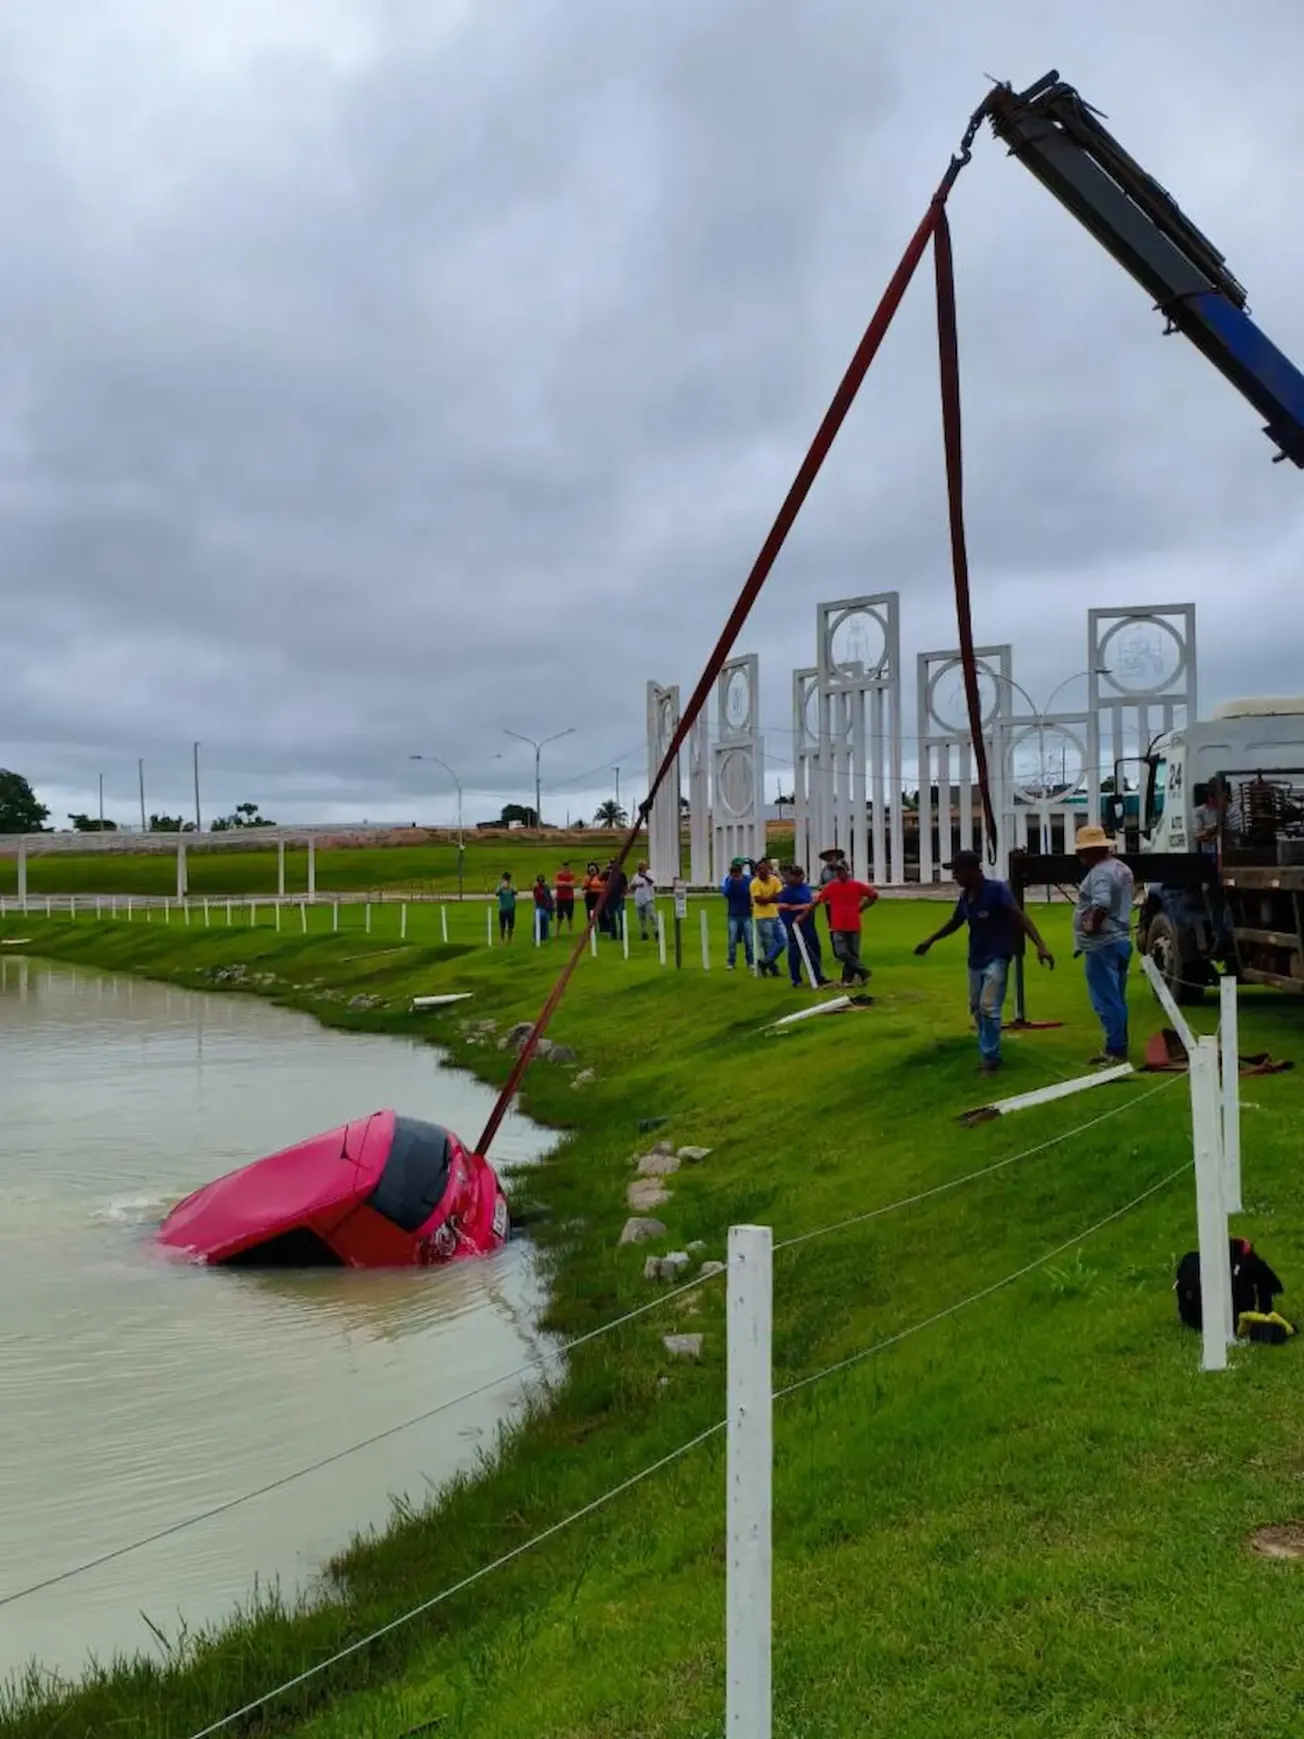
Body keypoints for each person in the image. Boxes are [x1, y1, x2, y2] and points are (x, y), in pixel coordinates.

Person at [913, 849, 1055, 1074]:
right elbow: (956, 921)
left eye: (957, 872)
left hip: (997, 956)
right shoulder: (966, 896)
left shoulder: (997, 890)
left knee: (988, 1007)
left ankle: (991, 1058)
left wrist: (1041, 945)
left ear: (971, 870)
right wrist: (930, 940)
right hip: (976, 959)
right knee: (977, 1009)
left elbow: (1019, 916)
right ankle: (987, 1050)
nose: (955, 877)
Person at [1073, 824, 1135, 1064]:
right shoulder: (1122, 868)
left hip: (1103, 942)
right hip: (1120, 938)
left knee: (1105, 998)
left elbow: (1101, 903)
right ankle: (1117, 1043)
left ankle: (1115, 1048)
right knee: (1116, 996)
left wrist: (1092, 925)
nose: (1080, 856)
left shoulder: (1100, 872)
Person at [800, 860, 876, 985]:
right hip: (838, 924)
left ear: (848, 871)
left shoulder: (856, 885)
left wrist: (862, 907)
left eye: (842, 871)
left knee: (853, 953)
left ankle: (848, 979)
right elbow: (817, 901)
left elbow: (873, 895)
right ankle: (863, 970)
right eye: (838, 871)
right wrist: (804, 915)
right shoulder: (831, 886)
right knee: (841, 952)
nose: (840, 874)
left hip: (853, 924)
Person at [775, 863, 832, 989]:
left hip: (809, 923)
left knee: (814, 949)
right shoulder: (786, 891)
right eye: (788, 877)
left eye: (791, 876)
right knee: (795, 951)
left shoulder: (805, 888)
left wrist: (799, 907)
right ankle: (796, 979)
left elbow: (811, 904)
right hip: (794, 924)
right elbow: (782, 907)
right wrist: (797, 910)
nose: (788, 879)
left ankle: (818, 976)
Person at [750, 856, 786, 978]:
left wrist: (769, 899)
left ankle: (764, 962)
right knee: (768, 944)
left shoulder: (775, 879)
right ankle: (773, 969)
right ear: (757, 871)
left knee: (783, 941)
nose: (763, 871)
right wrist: (772, 898)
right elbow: (759, 900)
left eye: (765, 869)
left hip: (775, 914)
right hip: (762, 917)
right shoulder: (755, 883)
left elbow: (780, 894)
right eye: (760, 870)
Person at [720, 858, 755, 970]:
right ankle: (731, 961)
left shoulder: (747, 880)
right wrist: (732, 881)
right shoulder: (728, 880)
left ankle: (750, 961)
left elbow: (750, 893)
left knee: (749, 940)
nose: (736, 873)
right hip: (733, 914)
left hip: (746, 914)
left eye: (738, 870)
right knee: (732, 940)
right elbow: (726, 893)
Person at [631, 862, 659, 940]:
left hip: (648, 899)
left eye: (642, 867)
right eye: (639, 867)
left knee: (652, 916)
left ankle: (656, 931)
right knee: (641, 918)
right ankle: (644, 932)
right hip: (639, 900)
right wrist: (635, 885)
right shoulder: (636, 876)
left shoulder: (650, 874)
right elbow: (632, 886)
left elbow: (651, 882)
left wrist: (645, 876)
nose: (640, 868)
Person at [605, 860, 628, 941]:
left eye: (614, 863)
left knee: (621, 917)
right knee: (611, 917)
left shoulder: (621, 874)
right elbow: (600, 877)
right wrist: (606, 868)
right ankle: (613, 934)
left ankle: (622, 934)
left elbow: (625, 886)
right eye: (611, 863)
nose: (613, 865)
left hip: (619, 898)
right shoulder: (607, 874)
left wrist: (622, 895)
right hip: (609, 899)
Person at [532, 873, 554, 942]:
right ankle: (536, 937)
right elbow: (536, 897)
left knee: (545, 922)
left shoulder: (547, 887)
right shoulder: (536, 888)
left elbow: (549, 896)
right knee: (537, 922)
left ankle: (544, 937)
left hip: (546, 907)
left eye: (542, 880)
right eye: (539, 881)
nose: (541, 882)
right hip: (539, 907)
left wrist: (551, 905)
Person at [555, 861, 577, 929]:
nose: (566, 868)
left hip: (569, 898)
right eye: (564, 866)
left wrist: (563, 883)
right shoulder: (558, 874)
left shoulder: (571, 874)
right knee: (559, 916)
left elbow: (572, 884)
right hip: (560, 898)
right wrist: (566, 883)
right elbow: (556, 883)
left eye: (567, 866)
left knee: (570, 915)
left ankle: (570, 929)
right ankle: (557, 931)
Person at [496, 872, 517, 943]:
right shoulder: (500, 887)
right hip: (503, 909)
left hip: (511, 908)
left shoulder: (512, 886)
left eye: (508, 879)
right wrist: (502, 887)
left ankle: (509, 939)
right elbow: (496, 893)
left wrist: (510, 888)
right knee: (502, 926)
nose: (507, 880)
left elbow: (516, 892)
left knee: (511, 925)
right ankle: (502, 939)